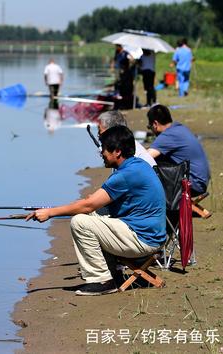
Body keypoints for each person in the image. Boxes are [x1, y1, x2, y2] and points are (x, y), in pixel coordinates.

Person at [27, 126, 166, 296]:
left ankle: (101, 280)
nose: (101, 154)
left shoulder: (126, 174)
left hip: (144, 239)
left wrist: (50, 212)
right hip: (149, 234)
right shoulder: (137, 165)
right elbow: (92, 204)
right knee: (89, 216)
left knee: (80, 222)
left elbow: (88, 204)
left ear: (117, 152)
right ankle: (111, 272)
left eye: (104, 149)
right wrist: (52, 211)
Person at [146, 104, 210, 196]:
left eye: (149, 127)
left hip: (193, 185)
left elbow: (145, 158)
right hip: (200, 182)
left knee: (147, 169)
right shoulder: (178, 128)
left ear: (155, 124)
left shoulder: (167, 135)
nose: (151, 130)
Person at [113, 45, 135, 109]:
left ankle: (123, 97)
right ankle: (117, 94)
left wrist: (131, 60)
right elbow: (114, 61)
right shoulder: (117, 53)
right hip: (118, 71)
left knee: (122, 84)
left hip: (124, 71)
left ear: (120, 47)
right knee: (117, 83)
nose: (116, 48)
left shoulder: (125, 53)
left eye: (117, 46)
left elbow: (131, 59)